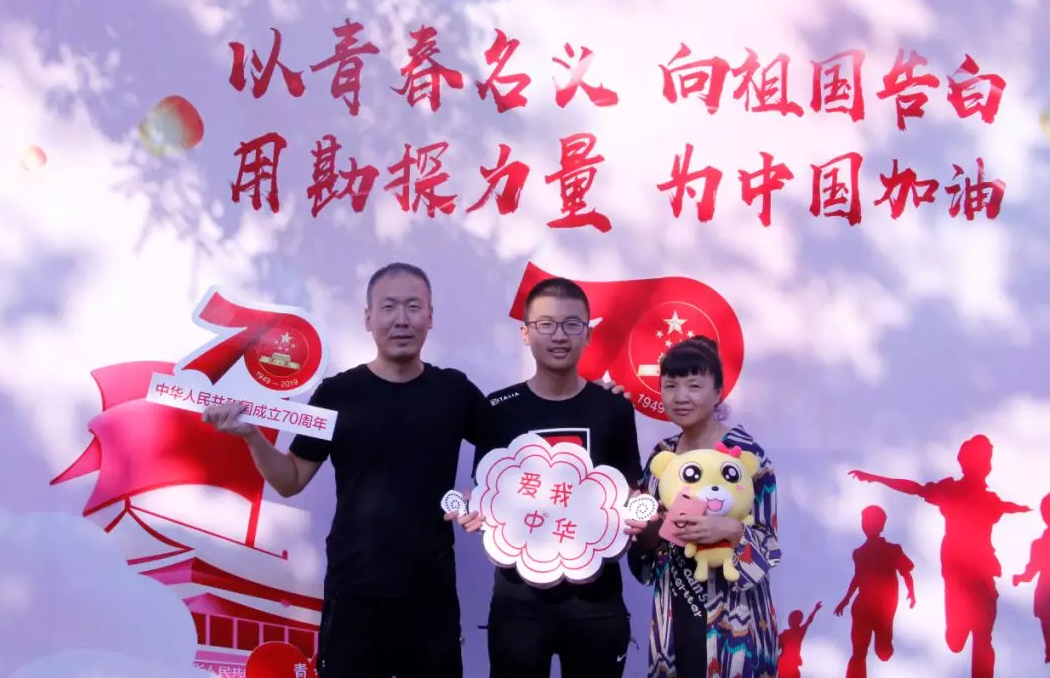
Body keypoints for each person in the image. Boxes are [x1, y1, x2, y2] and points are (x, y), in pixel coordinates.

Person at [202, 263, 485, 678]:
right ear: (368, 318)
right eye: (388, 307)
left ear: (430, 317)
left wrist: (485, 495)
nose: (401, 319)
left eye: (413, 307)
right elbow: (291, 479)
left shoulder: (454, 391)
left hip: (430, 595)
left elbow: (505, 446)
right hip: (354, 592)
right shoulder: (338, 394)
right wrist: (252, 436)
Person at [448, 277, 646, 678]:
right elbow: (488, 494)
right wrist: (474, 512)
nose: (559, 336)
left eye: (572, 324)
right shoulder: (498, 408)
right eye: (545, 324)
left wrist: (636, 514)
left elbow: (629, 490)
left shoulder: (613, 407)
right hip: (518, 605)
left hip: (597, 604)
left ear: (588, 334)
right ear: (526, 333)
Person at [628, 337, 780, 678]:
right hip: (673, 618)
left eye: (694, 386)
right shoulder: (662, 456)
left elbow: (769, 549)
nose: (681, 397)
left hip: (735, 623)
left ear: (718, 392)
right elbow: (644, 557)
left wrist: (731, 530)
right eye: (671, 386)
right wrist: (647, 532)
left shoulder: (745, 456)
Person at [849, 434, 1030, 678]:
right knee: (956, 642)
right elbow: (915, 489)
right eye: (983, 460)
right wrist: (876, 478)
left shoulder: (989, 499)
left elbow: (1008, 507)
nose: (987, 465)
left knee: (983, 637)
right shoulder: (951, 490)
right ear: (967, 463)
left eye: (988, 460)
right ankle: (956, 627)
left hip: (984, 575)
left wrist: (1026, 509)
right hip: (957, 576)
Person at [833, 505, 915, 678]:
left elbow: (906, 572)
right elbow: (858, 578)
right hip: (862, 606)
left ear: (881, 525)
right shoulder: (859, 553)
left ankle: (884, 642)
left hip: (883, 608)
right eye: (864, 521)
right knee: (859, 652)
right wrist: (846, 599)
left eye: (870, 521)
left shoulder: (893, 550)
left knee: (883, 652)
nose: (866, 524)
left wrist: (911, 591)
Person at [1012, 493, 1050, 663]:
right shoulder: (1039, 545)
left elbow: (1030, 572)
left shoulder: (1039, 544)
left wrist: (1022, 578)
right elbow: (1031, 570)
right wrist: (1020, 578)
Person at [777, 601, 822, 678]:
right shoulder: (785, 634)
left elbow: (809, 621)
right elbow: (776, 644)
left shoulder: (799, 632)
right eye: (790, 618)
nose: (790, 620)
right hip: (784, 665)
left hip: (790, 666)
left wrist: (815, 610)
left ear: (798, 621)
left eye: (792, 618)